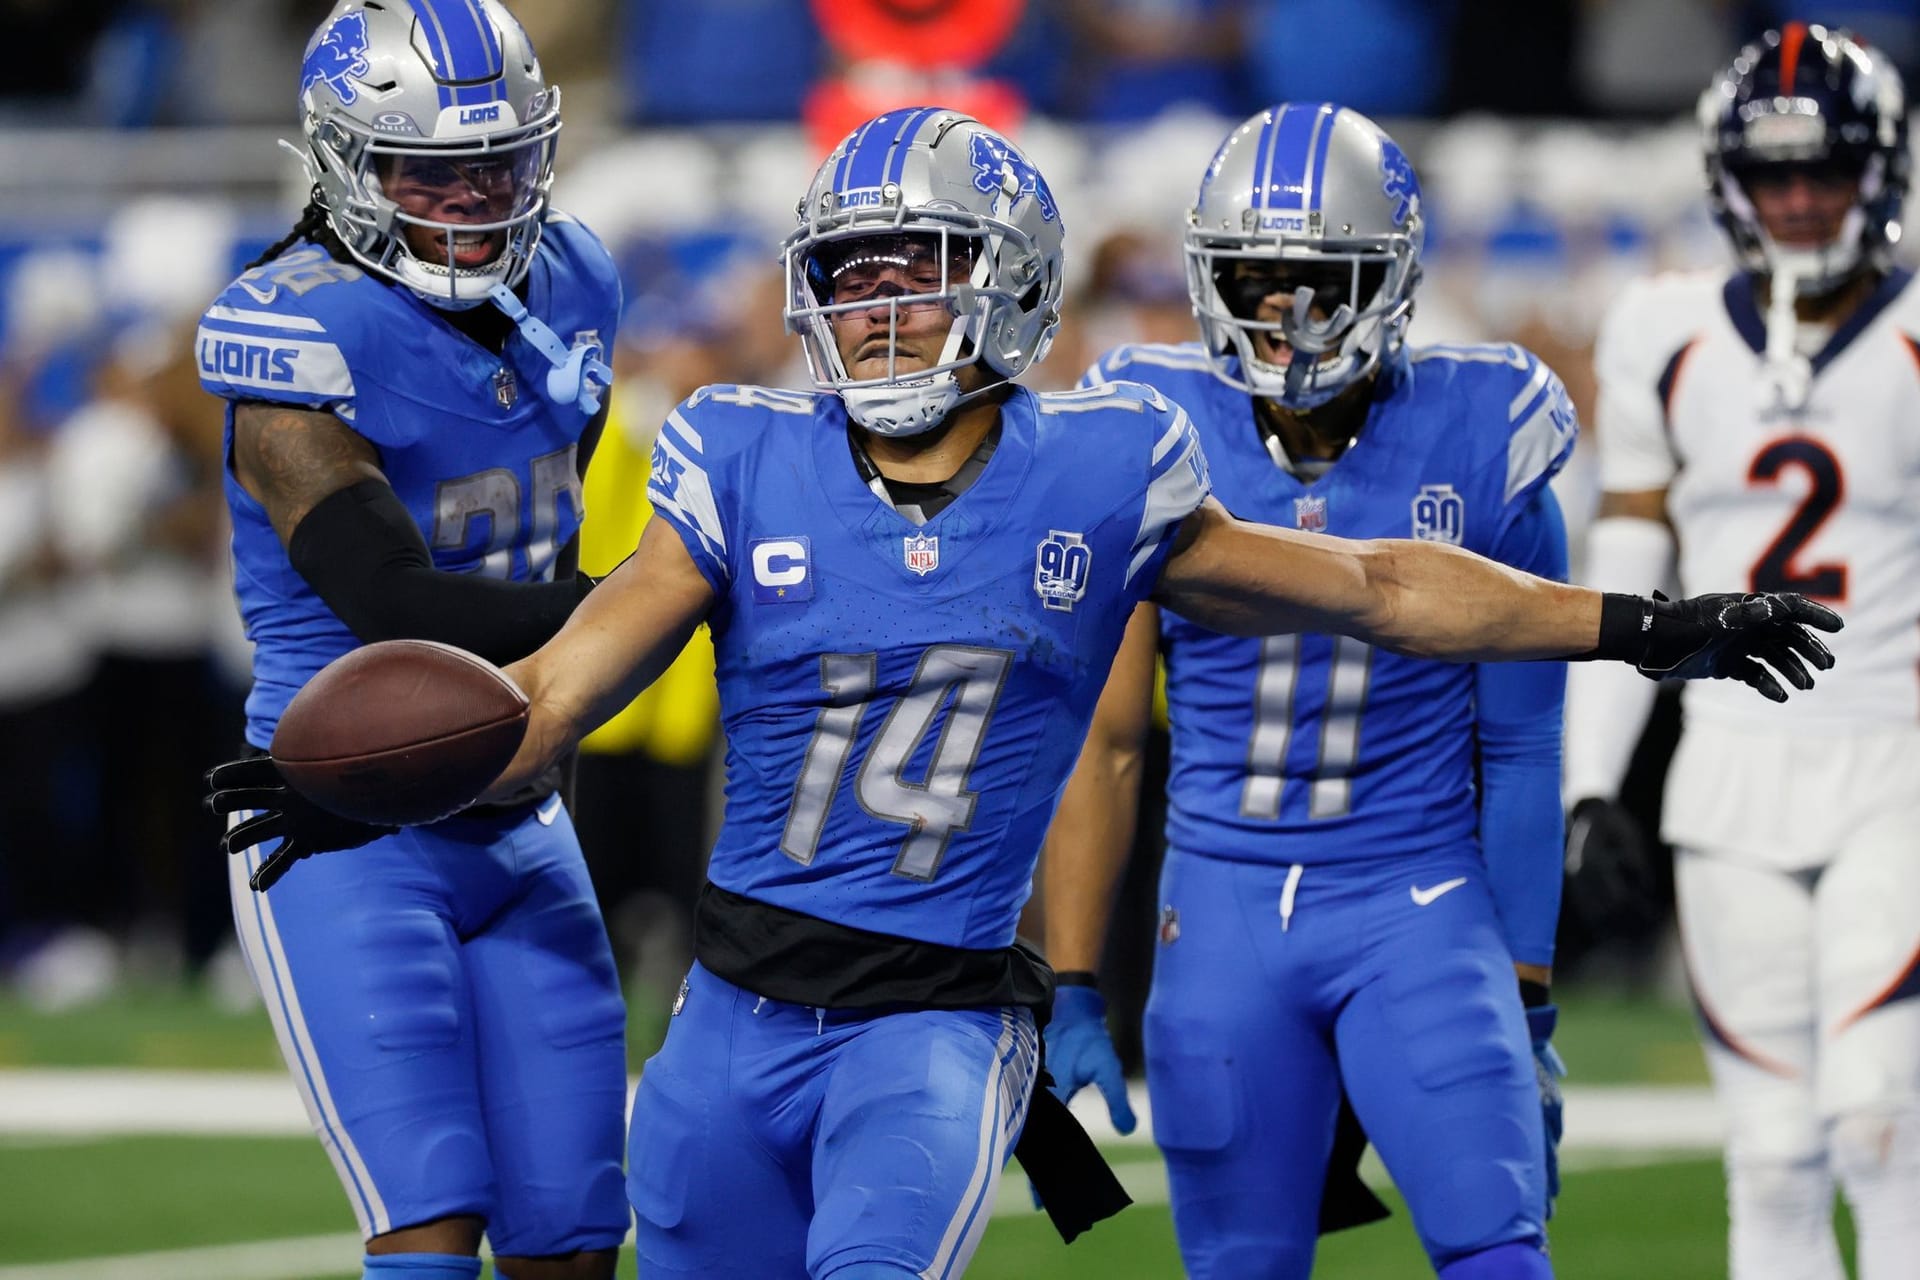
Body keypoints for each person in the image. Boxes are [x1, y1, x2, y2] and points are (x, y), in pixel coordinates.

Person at [220, 106, 1838, 1280]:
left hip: (929, 1020)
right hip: (727, 1018)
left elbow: (1382, 587)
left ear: (1006, 286)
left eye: (917, 274)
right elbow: (555, 692)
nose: (879, 311)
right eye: (851, 276)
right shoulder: (740, 454)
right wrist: (377, 780)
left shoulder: (1101, 469)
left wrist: (1646, 623)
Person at [1036, 102, 1574, 1280]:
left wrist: (1529, 990)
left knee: (1497, 1249)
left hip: (1419, 896)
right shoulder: (1149, 425)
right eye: (1257, 277)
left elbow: (1525, 744)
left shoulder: (1485, 427)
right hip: (1219, 904)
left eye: (1323, 280)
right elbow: (1108, 740)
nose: (1287, 312)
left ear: (1392, 276)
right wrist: (1071, 976)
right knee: (1242, 1261)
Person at [197, 4, 626, 1279]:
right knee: (430, 1224)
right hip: (346, 823)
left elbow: (549, 553)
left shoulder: (579, 278)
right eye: (430, 170)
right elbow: (396, 600)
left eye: (500, 161)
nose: (475, 196)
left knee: (574, 1233)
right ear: (347, 160)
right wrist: (653, 597)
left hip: (522, 812)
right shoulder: (295, 328)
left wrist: (592, 651)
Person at [1564, 24, 1920, 1280]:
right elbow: (1629, 554)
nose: (1801, 198)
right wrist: (1592, 782)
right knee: (1770, 1154)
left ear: (1879, 170)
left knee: (1881, 1119)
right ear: (1730, 182)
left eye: (1825, 169)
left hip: (1897, 766)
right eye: (1775, 174)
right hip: (1727, 772)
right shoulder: (1663, 328)